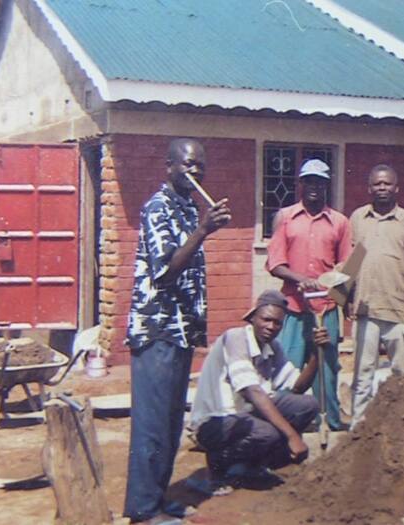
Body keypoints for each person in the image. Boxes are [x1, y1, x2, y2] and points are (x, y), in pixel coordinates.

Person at [124, 138, 231, 525]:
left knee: (170, 423)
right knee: (152, 425)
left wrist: (201, 225)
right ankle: (142, 510)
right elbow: (165, 272)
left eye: (201, 165)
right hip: (157, 331)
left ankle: (159, 497)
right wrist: (203, 230)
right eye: (188, 165)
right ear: (169, 166)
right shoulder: (157, 208)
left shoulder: (187, 207)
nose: (196, 171)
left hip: (181, 331)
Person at [187, 290, 323, 495]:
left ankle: (252, 466)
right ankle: (218, 469)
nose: (271, 327)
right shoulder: (235, 338)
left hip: (245, 417)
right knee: (266, 432)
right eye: (266, 320)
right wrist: (292, 436)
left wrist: (315, 353)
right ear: (252, 318)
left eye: (277, 323)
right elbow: (252, 392)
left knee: (308, 405)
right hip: (214, 421)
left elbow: (296, 387)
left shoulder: (272, 346)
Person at [267, 158, 352, 431]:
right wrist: (300, 280)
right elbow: (275, 264)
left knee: (326, 371)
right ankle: (290, 427)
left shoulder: (339, 222)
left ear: (327, 185)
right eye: (309, 181)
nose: (314, 187)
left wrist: (336, 292)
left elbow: (348, 266)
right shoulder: (285, 218)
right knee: (289, 370)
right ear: (300, 184)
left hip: (325, 309)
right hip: (293, 309)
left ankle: (332, 425)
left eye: (320, 182)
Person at [348, 164, 404, 426]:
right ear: (369, 188)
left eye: (387, 184)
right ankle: (357, 428)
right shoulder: (358, 218)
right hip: (366, 310)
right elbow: (352, 263)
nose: (382, 188)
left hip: (397, 309)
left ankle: (403, 427)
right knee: (362, 373)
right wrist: (345, 300)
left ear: (397, 188)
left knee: (401, 373)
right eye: (377, 184)